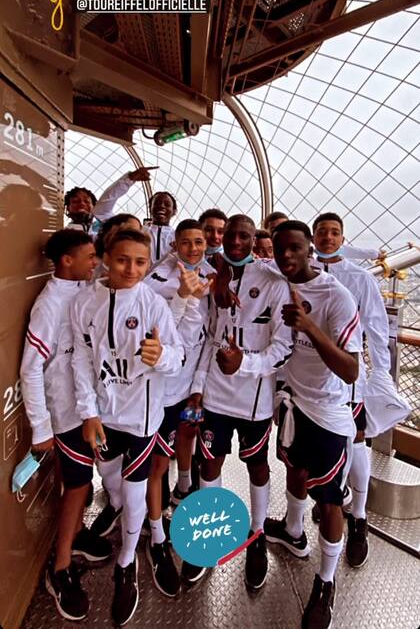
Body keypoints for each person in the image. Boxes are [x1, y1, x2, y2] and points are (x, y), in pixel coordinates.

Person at [70, 229, 184, 625]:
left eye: (139, 262)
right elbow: (81, 361)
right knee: (110, 481)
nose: (131, 269)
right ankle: (125, 523)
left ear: (149, 263)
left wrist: (161, 355)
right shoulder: (84, 302)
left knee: (136, 492)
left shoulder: (154, 305)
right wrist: (88, 412)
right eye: (122, 260)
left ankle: (126, 563)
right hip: (103, 415)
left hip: (141, 420)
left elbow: (178, 356)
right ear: (104, 257)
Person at [183, 214, 293, 591]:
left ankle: (257, 534)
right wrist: (198, 385)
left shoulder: (274, 284)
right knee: (209, 462)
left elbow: (283, 348)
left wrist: (244, 363)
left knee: (257, 465)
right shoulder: (211, 279)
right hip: (215, 395)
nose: (235, 241)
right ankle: (206, 539)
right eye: (230, 235)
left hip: (255, 401)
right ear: (223, 237)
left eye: (244, 236)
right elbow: (208, 338)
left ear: (252, 239)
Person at [265, 220, 362, 629]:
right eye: (279, 249)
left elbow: (352, 370)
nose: (286, 256)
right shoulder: (277, 285)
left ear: (310, 251)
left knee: (329, 499)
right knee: (294, 470)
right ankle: (292, 531)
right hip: (293, 404)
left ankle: (325, 581)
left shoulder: (336, 297)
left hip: (327, 412)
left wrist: (310, 328)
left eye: (294, 249)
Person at [20, 229, 112, 622]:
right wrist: (41, 429)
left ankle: (76, 537)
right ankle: (59, 570)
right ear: (67, 261)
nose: (96, 263)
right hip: (64, 414)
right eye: (90, 257)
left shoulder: (84, 293)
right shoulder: (49, 305)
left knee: (82, 482)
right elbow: (31, 369)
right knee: (75, 487)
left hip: (86, 410)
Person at [312, 212, 401, 567]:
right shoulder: (305, 273)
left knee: (356, 440)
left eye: (334, 233)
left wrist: (381, 373)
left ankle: (360, 516)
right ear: (315, 237)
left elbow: (377, 325)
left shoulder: (359, 278)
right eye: (322, 232)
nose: (328, 238)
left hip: (349, 378)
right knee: (322, 445)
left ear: (343, 237)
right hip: (312, 379)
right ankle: (330, 501)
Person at [144, 219, 215, 597]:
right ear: (174, 243)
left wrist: (198, 387)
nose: (192, 248)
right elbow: (157, 336)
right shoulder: (157, 278)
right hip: (152, 390)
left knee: (171, 459)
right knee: (151, 467)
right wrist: (184, 297)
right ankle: (155, 537)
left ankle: (166, 521)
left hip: (183, 392)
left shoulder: (212, 277)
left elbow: (209, 340)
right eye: (185, 242)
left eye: (198, 241)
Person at [65, 168, 152, 235]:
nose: (82, 204)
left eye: (87, 201)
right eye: (75, 201)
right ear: (68, 208)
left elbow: (109, 197)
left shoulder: (105, 222)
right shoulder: (64, 233)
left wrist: (130, 178)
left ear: (94, 206)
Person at [144, 191, 177, 263]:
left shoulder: (178, 237)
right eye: (157, 203)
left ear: (174, 211)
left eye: (167, 204)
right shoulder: (140, 232)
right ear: (150, 208)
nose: (162, 206)